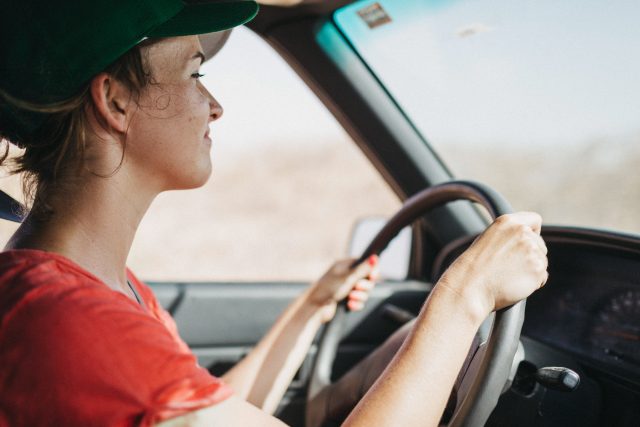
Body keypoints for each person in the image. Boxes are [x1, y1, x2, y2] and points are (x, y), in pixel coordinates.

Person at [0, 1, 548, 426]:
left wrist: (311, 307)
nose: (216, 106)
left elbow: (209, 408)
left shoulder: (99, 289)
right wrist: (464, 295)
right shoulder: (69, 321)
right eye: (195, 74)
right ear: (115, 100)